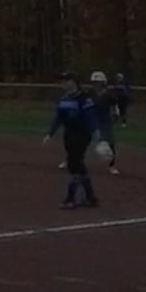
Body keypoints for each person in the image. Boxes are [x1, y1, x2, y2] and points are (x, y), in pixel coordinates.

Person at [44, 72, 103, 209]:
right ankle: (91, 197)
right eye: (61, 81)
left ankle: (70, 199)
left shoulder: (84, 98)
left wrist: (95, 131)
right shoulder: (63, 99)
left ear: (73, 82)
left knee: (73, 163)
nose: (62, 83)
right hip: (69, 134)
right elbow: (58, 118)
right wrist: (50, 134)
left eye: (65, 81)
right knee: (78, 164)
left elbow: (90, 116)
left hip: (82, 134)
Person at [85, 71, 121, 175]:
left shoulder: (109, 95)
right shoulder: (89, 94)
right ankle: (71, 160)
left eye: (98, 82)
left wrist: (115, 115)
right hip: (91, 121)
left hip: (105, 122)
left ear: (103, 83)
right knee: (80, 141)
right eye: (94, 82)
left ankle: (112, 166)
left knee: (110, 144)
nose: (96, 85)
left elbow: (115, 108)